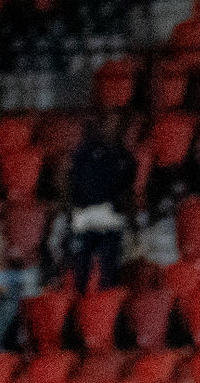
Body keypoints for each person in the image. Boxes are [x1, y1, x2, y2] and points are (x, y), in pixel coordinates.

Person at [66, 113, 136, 288]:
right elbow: (71, 181)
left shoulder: (123, 156)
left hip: (110, 216)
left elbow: (128, 184)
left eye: (115, 124)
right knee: (81, 270)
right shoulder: (83, 153)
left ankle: (105, 307)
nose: (111, 128)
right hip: (85, 214)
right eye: (107, 123)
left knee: (109, 271)